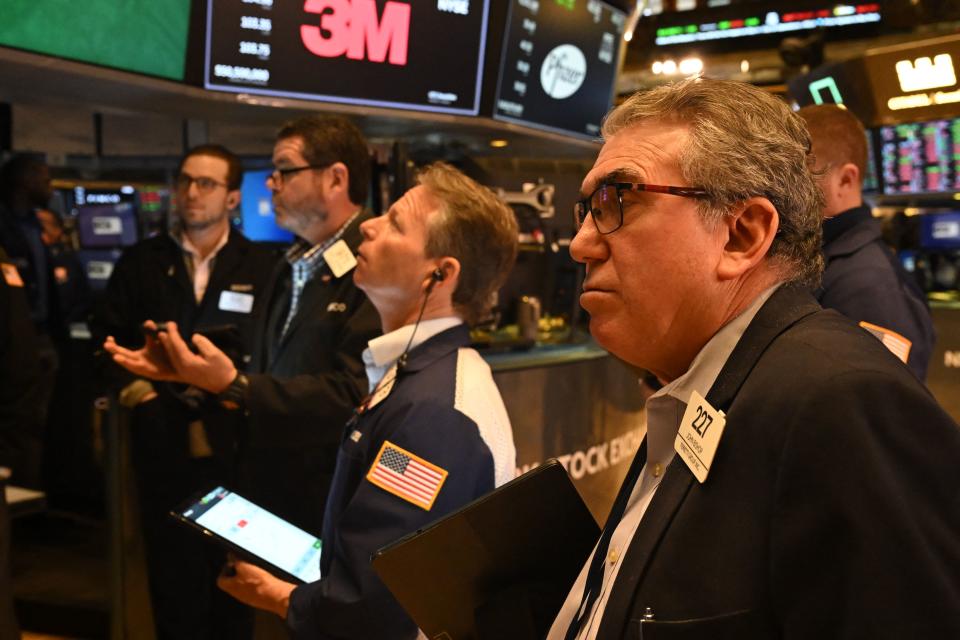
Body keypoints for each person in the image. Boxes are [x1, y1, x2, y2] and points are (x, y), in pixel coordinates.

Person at [547, 78, 960, 639]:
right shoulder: (705, 380)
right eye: (587, 209)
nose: (581, 244)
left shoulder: (841, 402)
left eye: (619, 201)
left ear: (742, 235)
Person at [113, 162, 520, 639]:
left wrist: (276, 595)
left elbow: (375, 601)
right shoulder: (419, 374)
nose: (368, 224)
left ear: (440, 273)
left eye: (394, 223)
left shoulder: (432, 412)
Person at [105, 115, 381, 537]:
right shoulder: (291, 264)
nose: (271, 183)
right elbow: (268, 365)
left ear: (335, 179)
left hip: (329, 495)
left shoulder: (376, 262)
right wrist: (187, 371)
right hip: (268, 481)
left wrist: (238, 387)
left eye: (284, 171)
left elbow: (357, 393)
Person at [93, 144, 277, 640]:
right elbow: (103, 341)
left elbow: (271, 352)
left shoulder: (263, 266)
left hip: (237, 448)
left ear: (234, 198)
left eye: (207, 184)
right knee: (172, 582)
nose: (192, 193)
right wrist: (141, 394)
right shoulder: (141, 261)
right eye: (186, 181)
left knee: (236, 579)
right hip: (162, 445)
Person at [797, 104, 935, 380]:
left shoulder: (871, 284)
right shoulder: (823, 260)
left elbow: (886, 410)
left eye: (799, 178)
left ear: (845, 180)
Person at [0, 155, 57, 488]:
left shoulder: (33, 224)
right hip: (15, 338)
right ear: (25, 181)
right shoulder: (5, 226)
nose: (49, 187)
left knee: (37, 424)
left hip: (41, 335)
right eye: (45, 179)